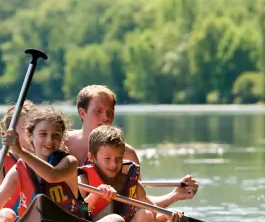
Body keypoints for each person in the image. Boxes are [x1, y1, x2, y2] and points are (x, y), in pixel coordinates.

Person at [63, 85, 199, 208]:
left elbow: (141, 202)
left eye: (110, 112)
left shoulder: (126, 154)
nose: (106, 117)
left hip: (106, 220)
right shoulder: (61, 142)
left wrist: (174, 195)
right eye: (98, 111)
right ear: (82, 113)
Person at [0, 106, 86, 222]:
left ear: (62, 138)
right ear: (29, 135)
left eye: (56, 135)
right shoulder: (18, 170)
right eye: (43, 134)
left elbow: (52, 176)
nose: (50, 140)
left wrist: (19, 151)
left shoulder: (69, 162)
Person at [78, 125, 184, 222]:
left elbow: (156, 217)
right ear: (91, 157)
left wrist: (169, 215)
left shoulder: (133, 186)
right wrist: (95, 194)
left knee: (145, 214)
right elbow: (80, 211)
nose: (114, 164)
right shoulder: (84, 180)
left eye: (119, 158)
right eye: (107, 159)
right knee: (116, 220)